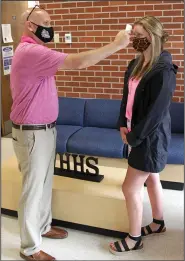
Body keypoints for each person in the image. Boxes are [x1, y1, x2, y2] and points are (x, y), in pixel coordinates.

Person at [10, 5, 130, 261]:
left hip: (43, 130)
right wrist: (117, 45)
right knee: (32, 190)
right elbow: (79, 62)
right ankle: (29, 248)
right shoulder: (30, 52)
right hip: (32, 133)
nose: (50, 27)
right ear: (30, 26)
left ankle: (43, 227)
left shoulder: (38, 52)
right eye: (46, 22)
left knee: (43, 185)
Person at [109, 16, 178, 255]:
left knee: (130, 188)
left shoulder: (164, 71)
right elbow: (125, 99)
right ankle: (158, 223)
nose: (134, 39)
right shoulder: (135, 64)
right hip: (134, 131)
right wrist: (121, 124)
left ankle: (134, 238)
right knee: (152, 178)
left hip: (149, 137)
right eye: (133, 34)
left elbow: (155, 115)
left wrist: (135, 138)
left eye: (139, 35)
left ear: (152, 37)